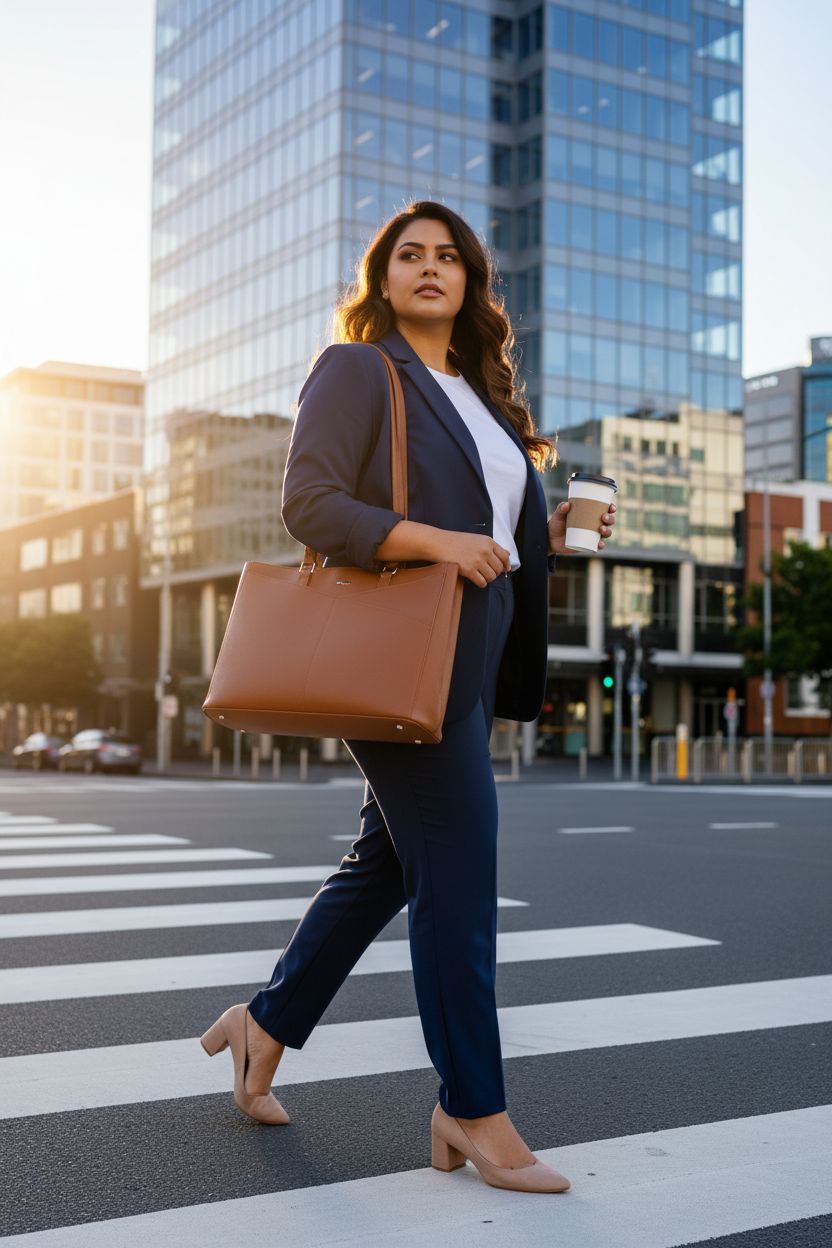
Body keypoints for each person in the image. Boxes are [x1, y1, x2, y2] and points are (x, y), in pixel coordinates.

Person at [200, 200, 616, 1194]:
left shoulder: (480, 397)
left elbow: (487, 531)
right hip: (402, 646)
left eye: (447, 258)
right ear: (382, 280)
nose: (428, 268)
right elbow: (309, 502)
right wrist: (439, 542)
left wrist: (544, 523)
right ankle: (469, 1109)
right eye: (407, 256)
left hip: (472, 653)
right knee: (461, 874)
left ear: (471, 282)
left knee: (385, 863)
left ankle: (266, 1022)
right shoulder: (358, 369)